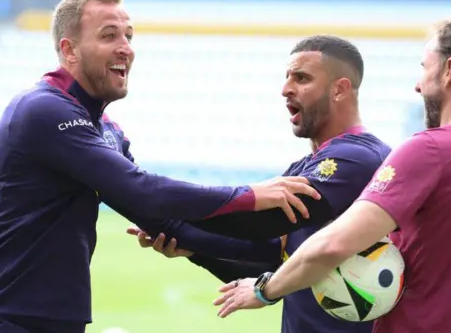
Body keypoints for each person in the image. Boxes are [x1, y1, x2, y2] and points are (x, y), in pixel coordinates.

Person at [0, 0, 321, 333]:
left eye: (128, 35)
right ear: (69, 50)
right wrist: (251, 194)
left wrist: (286, 267)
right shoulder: (41, 110)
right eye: (109, 36)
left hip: (54, 321)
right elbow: (144, 192)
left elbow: (165, 221)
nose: (126, 47)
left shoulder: (105, 130)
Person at [213, 17, 451, 333]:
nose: (418, 85)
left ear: (449, 71)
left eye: (424, 68)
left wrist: (264, 290)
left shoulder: (429, 150)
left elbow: (333, 246)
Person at [128, 35, 392, 333]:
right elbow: (273, 265)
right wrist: (192, 247)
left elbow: (261, 224)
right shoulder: (305, 167)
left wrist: (150, 202)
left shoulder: (357, 159)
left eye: (301, 78)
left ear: (339, 89)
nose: (286, 89)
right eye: (287, 78)